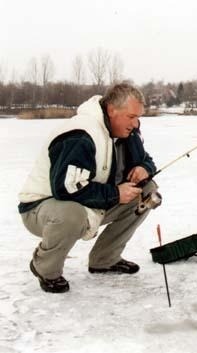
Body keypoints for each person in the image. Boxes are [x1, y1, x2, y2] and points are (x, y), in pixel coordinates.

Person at [18, 83, 160, 293]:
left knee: (147, 191)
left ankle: (104, 260)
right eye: (131, 116)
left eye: (139, 117)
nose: (136, 123)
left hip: (90, 202)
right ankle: (45, 268)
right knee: (70, 214)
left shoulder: (127, 132)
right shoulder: (81, 135)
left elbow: (146, 159)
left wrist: (143, 168)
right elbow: (66, 189)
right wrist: (115, 194)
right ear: (112, 110)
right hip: (42, 208)